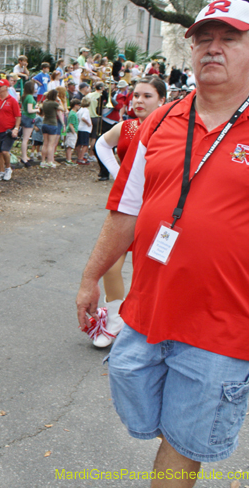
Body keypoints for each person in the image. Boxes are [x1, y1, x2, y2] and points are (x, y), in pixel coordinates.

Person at [76, 0, 249, 485]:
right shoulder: (159, 122)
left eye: (229, 38)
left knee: (182, 446)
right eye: (203, 38)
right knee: (142, 407)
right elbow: (125, 212)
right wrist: (90, 278)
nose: (213, 49)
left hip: (222, 325)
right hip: (145, 312)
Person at [89, 76, 166, 347]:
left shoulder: (171, 129)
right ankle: (115, 318)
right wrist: (118, 173)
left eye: (147, 96)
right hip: (127, 209)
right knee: (110, 264)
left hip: (160, 212)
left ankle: (152, 324)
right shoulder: (128, 127)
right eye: (136, 95)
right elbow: (101, 145)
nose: (139, 101)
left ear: (162, 100)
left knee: (157, 270)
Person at [39, 89, 61, 168]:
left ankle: (43, 161)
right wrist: (60, 101)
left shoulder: (45, 103)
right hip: (52, 124)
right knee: (51, 144)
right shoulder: (54, 103)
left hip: (45, 123)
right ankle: (49, 161)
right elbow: (62, 108)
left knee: (45, 143)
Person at [19, 81, 37, 167]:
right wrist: (37, 110)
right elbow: (30, 110)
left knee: (25, 138)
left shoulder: (25, 96)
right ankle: (24, 157)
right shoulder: (30, 97)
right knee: (25, 139)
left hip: (25, 117)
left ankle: (25, 156)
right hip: (29, 118)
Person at [76, 96, 92, 164]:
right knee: (85, 144)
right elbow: (83, 118)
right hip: (85, 129)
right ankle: (81, 158)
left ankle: (79, 156)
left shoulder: (80, 110)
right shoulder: (86, 110)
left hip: (80, 128)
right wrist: (88, 123)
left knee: (79, 144)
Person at [64, 99, 80, 165]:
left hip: (71, 132)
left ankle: (68, 159)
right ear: (75, 105)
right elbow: (71, 124)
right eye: (79, 105)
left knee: (70, 146)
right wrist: (74, 133)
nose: (79, 107)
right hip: (71, 132)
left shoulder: (72, 113)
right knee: (70, 146)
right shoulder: (73, 114)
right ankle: (68, 159)